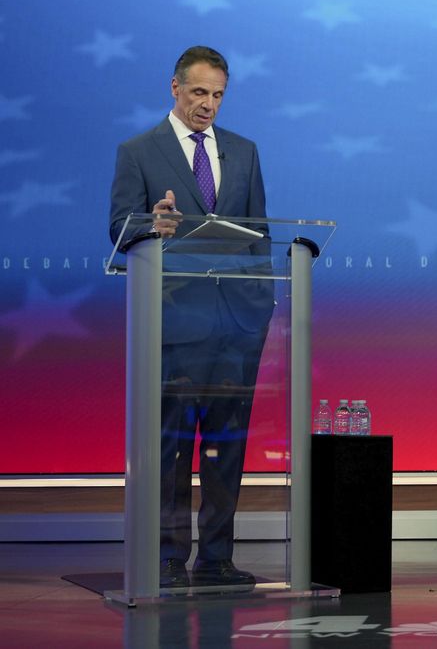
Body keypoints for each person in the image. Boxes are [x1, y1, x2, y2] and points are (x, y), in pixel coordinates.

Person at [109, 46, 274, 589]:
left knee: (227, 446)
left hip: (237, 325)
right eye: (200, 93)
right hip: (177, 322)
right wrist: (149, 224)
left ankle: (217, 558)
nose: (209, 105)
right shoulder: (139, 151)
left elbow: (259, 233)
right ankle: (167, 557)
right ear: (174, 88)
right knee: (173, 447)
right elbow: (118, 227)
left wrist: (262, 300)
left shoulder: (244, 151)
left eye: (219, 95)